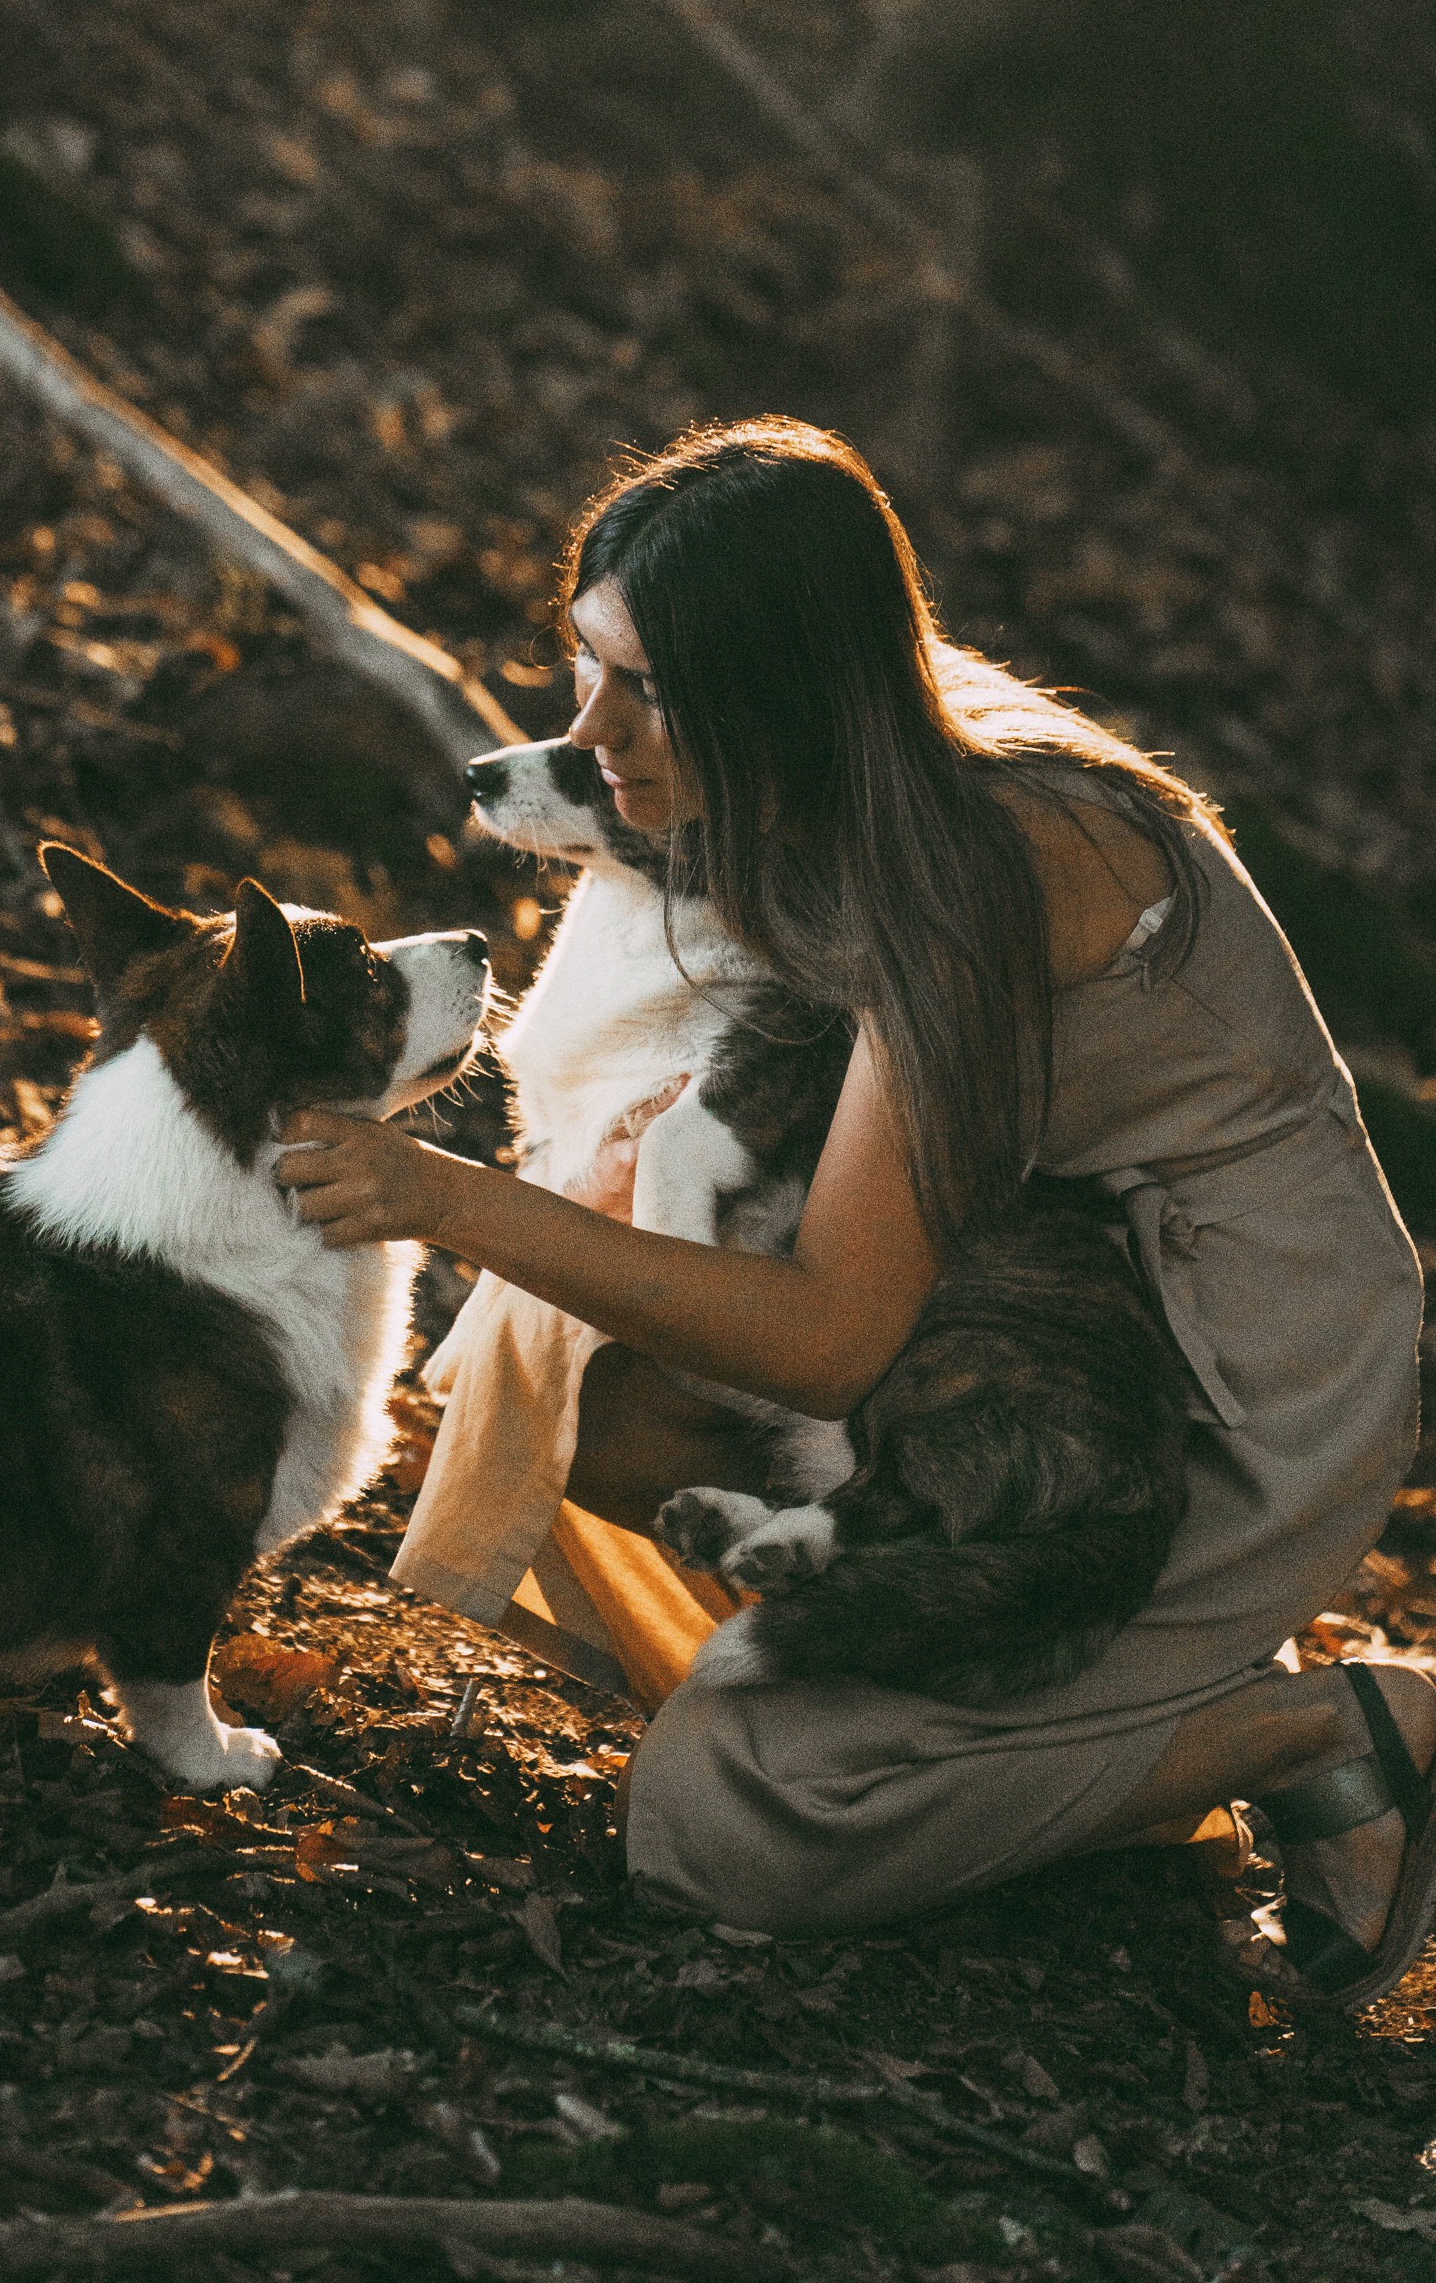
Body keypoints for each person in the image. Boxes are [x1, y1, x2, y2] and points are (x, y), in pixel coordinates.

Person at [274, 417, 1433, 2007]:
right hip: (1042, 1330)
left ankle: (1317, 1733)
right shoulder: (873, 768)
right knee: (558, 1382)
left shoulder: (981, 860)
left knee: (723, 1831)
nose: (596, 727)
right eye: (586, 668)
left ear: (783, 687)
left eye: (651, 690)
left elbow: (829, 1339)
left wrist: (447, 1199)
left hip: (1238, 1384)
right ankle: (1079, 1736)